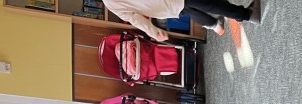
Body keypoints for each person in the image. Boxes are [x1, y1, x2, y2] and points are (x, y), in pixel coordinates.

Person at [102, 0, 261, 40]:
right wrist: (154, 32)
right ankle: (246, 15)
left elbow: (134, 19)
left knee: (200, 6)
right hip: (166, 4)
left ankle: (214, 24)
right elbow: (134, 19)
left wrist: (154, 32)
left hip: (164, 8)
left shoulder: (110, 4)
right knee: (210, 4)